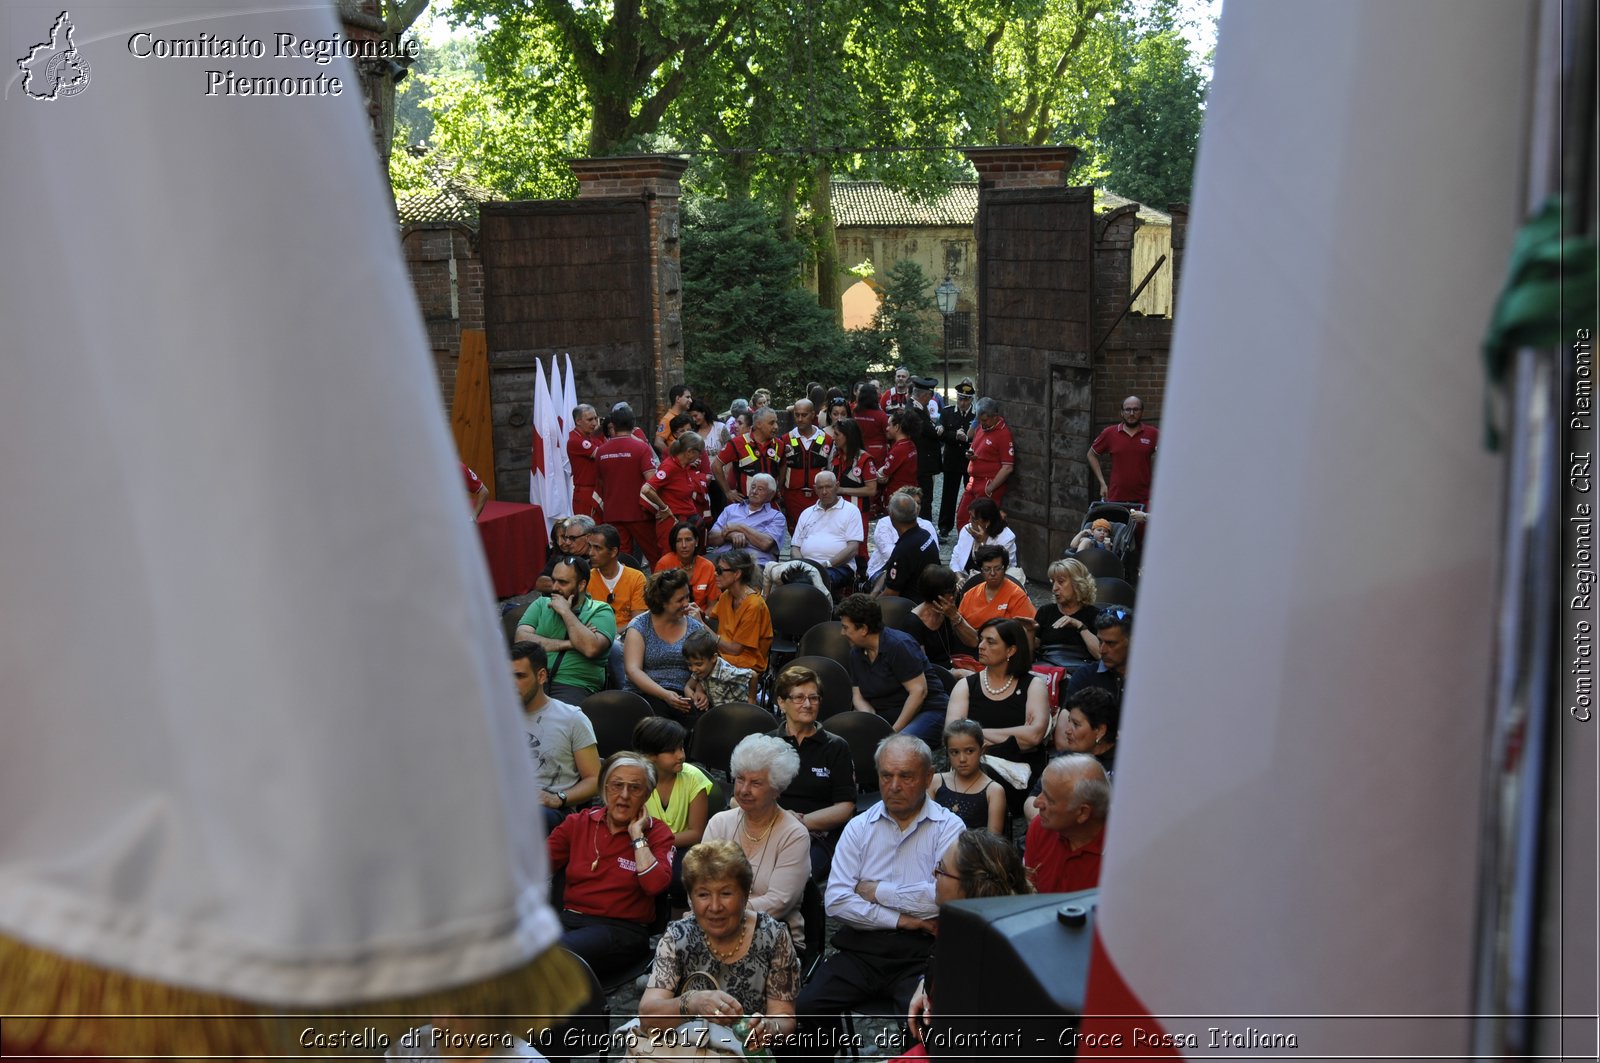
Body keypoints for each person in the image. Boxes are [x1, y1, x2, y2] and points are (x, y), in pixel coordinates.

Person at [793, 735, 963, 1043]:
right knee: (805, 1012)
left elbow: (943, 898)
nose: (894, 785)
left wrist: (876, 891)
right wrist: (906, 918)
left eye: (906, 776)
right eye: (886, 775)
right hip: (863, 949)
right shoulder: (859, 827)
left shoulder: (949, 828)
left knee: (924, 1025)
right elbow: (837, 902)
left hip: (922, 952)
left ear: (927, 778)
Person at [637, 842, 801, 1051]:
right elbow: (648, 1017)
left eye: (726, 893)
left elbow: (785, 1018)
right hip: (685, 1050)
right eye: (703, 894)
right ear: (690, 898)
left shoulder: (772, 936)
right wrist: (691, 1003)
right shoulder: (677, 937)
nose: (715, 907)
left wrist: (769, 1028)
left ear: (745, 894)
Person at [547, 752, 675, 981]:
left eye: (635, 788)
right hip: (569, 921)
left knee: (552, 957)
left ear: (647, 794)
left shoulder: (657, 833)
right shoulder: (579, 823)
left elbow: (655, 886)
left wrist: (637, 837)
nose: (624, 796)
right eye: (617, 785)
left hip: (622, 930)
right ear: (604, 788)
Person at [905, 830, 1032, 1047]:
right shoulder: (966, 928)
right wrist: (925, 987)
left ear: (971, 887)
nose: (934, 874)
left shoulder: (987, 969)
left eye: (942, 870)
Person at [703, 735, 811, 943]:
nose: (744, 790)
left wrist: (722, 912)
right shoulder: (719, 823)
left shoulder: (793, 835)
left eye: (756, 783)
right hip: (712, 926)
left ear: (777, 789)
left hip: (771, 936)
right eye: (740, 779)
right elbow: (697, 882)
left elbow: (779, 901)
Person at [945, 618, 1050, 806]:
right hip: (970, 765)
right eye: (981, 639)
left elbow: (1034, 736)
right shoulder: (966, 686)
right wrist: (1016, 735)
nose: (981, 646)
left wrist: (975, 734)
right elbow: (953, 735)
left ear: (1011, 650)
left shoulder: (1034, 685)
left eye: (990, 641)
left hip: (1019, 772)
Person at [768, 664, 857, 881]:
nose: (808, 704)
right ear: (781, 702)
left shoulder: (836, 746)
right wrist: (779, 818)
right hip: (769, 828)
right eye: (799, 698)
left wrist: (798, 822)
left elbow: (845, 807)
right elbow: (738, 798)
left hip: (817, 834)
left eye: (814, 698)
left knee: (796, 878)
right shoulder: (766, 744)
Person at [512, 642, 600, 832]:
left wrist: (559, 798)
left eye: (519, 676)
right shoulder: (493, 717)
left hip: (551, 810)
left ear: (541, 675)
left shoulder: (571, 718)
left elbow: (594, 780)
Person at [838, 593, 949, 743]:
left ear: (863, 629)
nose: (842, 633)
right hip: (886, 715)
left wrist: (892, 734)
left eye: (845, 627)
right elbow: (858, 696)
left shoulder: (899, 645)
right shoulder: (855, 653)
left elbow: (918, 692)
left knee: (895, 747)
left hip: (926, 711)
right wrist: (872, 723)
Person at [515, 554, 617, 703]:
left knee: (558, 721)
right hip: (533, 679)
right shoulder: (541, 604)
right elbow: (521, 640)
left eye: (562, 582)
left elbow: (590, 648)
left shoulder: (600, 610)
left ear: (581, 585)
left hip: (573, 684)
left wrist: (566, 612)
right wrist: (569, 644)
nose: (554, 587)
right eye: (553, 580)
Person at [635, 717, 712, 898]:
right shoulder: (636, 780)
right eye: (672, 751)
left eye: (681, 747)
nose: (681, 755)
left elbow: (696, 833)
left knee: (680, 879)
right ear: (650, 756)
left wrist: (655, 841)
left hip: (681, 848)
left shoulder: (694, 778)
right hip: (640, 845)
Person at [624, 568, 710, 721]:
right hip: (647, 695)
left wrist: (700, 689)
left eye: (687, 597)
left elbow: (707, 664)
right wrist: (665, 695)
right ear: (662, 602)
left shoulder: (694, 627)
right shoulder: (640, 626)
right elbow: (633, 670)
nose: (686, 604)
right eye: (679, 600)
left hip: (683, 696)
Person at [1024, 753, 1110, 892]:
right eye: (1041, 792)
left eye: (1050, 800)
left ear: (1082, 813)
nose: (1036, 803)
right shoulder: (1040, 827)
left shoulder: (1122, 855)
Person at [785, 471, 863, 597]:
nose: (824, 491)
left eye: (828, 486)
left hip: (838, 567)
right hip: (806, 566)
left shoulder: (851, 511)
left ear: (837, 486)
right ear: (815, 489)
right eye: (820, 488)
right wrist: (803, 565)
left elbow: (853, 549)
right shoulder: (807, 513)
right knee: (778, 575)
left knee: (815, 580)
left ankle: (818, 614)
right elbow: (795, 547)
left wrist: (826, 564)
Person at [596, 404, 659, 557]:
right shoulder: (641, 448)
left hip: (612, 511)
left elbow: (600, 481)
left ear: (614, 425)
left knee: (621, 557)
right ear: (633, 424)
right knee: (654, 554)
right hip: (639, 512)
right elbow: (652, 482)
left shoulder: (601, 451)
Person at [641, 431, 710, 561]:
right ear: (689, 452)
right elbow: (647, 489)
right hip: (672, 523)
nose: (701, 456)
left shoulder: (684, 467)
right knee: (671, 561)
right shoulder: (670, 467)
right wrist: (665, 508)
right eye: (699, 452)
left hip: (685, 521)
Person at [928, 719, 1004, 832]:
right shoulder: (934, 782)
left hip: (976, 849)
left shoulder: (993, 791)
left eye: (969, 751)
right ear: (947, 753)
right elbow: (926, 827)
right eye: (955, 752)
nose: (962, 759)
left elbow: (993, 841)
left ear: (982, 750)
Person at [707, 549, 773, 674]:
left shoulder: (754, 605)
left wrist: (701, 625)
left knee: (703, 662)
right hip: (723, 655)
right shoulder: (726, 595)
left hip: (747, 664)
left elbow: (735, 650)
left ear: (737, 574)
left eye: (720, 571)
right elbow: (712, 620)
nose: (715, 574)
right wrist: (696, 615)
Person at [954, 396, 1014, 529]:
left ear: (995, 416)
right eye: (979, 420)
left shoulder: (1003, 435)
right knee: (962, 517)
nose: (982, 423)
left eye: (985, 420)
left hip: (987, 484)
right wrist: (971, 454)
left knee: (981, 523)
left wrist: (990, 488)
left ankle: (980, 548)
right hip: (973, 481)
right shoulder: (981, 427)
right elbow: (974, 445)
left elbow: (1008, 467)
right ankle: (966, 549)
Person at [906, 566, 979, 672]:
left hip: (955, 663)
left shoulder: (949, 610)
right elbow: (921, 667)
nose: (956, 592)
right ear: (940, 596)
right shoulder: (913, 624)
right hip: (936, 674)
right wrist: (954, 673)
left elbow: (974, 641)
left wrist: (955, 617)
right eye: (953, 590)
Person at [1088, 395, 1159, 505]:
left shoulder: (1153, 434)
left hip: (1144, 499)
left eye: (1136, 409)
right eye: (1128, 409)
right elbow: (1091, 455)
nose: (1131, 413)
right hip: (1116, 498)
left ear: (1142, 412)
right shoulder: (1109, 433)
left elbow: (1169, 457)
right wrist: (1102, 483)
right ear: (1122, 412)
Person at [706, 472, 787, 565]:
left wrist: (739, 527)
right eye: (753, 487)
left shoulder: (776, 516)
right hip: (722, 559)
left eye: (760, 489)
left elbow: (765, 544)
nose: (754, 491)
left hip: (754, 563)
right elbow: (711, 538)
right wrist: (730, 536)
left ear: (770, 495)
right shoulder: (731, 509)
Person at [1034, 558, 1101, 667]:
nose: (1054, 588)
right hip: (1047, 671)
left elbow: (1100, 654)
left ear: (1077, 584)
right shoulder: (1045, 612)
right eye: (1053, 582)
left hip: (1080, 673)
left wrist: (1080, 626)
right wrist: (1028, 631)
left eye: (1060, 582)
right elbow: (1032, 651)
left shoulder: (1094, 615)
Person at [876, 491, 940, 601]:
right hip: (930, 596)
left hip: (912, 605)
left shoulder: (903, 550)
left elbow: (891, 594)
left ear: (892, 515)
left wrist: (869, 607)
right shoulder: (925, 535)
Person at [956, 545, 1037, 631]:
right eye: (987, 569)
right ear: (981, 571)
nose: (993, 573)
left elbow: (1030, 627)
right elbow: (960, 625)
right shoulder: (969, 595)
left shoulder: (1017, 595)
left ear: (1005, 569)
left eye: (998, 568)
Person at [781, 399, 833, 529]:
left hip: (819, 495)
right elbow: (781, 467)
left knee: (819, 531)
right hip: (793, 496)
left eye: (804, 415)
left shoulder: (827, 440)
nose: (799, 419)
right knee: (795, 531)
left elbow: (831, 468)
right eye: (797, 414)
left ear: (813, 414)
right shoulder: (785, 439)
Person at [1062, 606, 1131, 704]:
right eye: (1100, 641)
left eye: (1111, 643)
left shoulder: (1150, 680)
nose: (1102, 650)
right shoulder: (1084, 677)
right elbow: (1066, 716)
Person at [719, 406, 786, 505]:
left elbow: (783, 465)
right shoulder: (737, 443)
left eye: (776, 422)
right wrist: (727, 491)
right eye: (771, 423)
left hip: (770, 505)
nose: (776, 427)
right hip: (745, 504)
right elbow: (716, 466)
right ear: (758, 424)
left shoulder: (780, 444)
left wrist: (778, 488)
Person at [586, 523, 649, 629]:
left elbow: (638, 623)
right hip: (595, 638)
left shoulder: (637, 578)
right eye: (590, 547)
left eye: (597, 548)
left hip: (627, 638)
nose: (591, 553)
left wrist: (610, 635)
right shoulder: (586, 578)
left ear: (613, 552)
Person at [936, 381, 976, 537]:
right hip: (952, 460)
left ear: (971, 400)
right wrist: (955, 436)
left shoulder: (976, 416)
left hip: (968, 461)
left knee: (970, 493)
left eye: (965, 399)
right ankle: (945, 526)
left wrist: (966, 438)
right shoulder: (947, 412)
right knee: (948, 494)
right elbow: (942, 433)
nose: (962, 403)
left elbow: (978, 437)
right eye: (960, 399)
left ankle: (969, 524)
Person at [655, 520, 720, 616]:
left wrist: (700, 619)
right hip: (672, 620)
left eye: (688, 539)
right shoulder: (664, 564)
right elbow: (656, 602)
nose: (684, 545)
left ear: (696, 541)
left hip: (700, 619)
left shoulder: (708, 566)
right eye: (679, 540)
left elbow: (712, 606)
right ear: (674, 544)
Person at [949, 497, 1021, 578]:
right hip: (966, 578)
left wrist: (982, 543)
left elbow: (993, 570)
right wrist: (959, 578)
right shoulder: (967, 530)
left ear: (987, 522)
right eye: (970, 516)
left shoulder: (1006, 539)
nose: (969, 521)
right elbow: (955, 557)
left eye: (974, 519)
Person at [684, 629, 757, 709]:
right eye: (689, 664)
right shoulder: (701, 669)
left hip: (739, 710)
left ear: (713, 658)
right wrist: (697, 692)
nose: (693, 669)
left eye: (698, 664)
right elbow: (689, 686)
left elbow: (753, 675)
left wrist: (751, 702)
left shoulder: (726, 673)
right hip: (720, 712)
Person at [1053, 686, 1119, 774]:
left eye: (1076, 724)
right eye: (1069, 721)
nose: (1067, 730)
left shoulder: (1124, 765)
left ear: (1100, 731)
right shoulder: (1064, 760)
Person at [535, 515, 595, 596]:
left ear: (588, 537)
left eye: (572, 538)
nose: (567, 543)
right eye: (566, 538)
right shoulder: (560, 557)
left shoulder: (600, 558)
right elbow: (540, 583)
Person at [875, 409, 921, 510]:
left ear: (896, 427)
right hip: (909, 494)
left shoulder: (899, 449)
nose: (887, 428)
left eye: (889, 425)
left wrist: (879, 472)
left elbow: (883, 475)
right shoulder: (911, 444)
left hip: (898, 498)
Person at [568, 403, 604, 518]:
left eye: (595, 418)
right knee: (587, 529)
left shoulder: (590, 437)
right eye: (590, 420)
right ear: (578, 421)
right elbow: (603, 454)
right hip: (586, 492)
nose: (594, 423)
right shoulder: (576, 440)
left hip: (596, 489)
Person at [851, 383, 889, 465]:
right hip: (878, 452)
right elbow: (888, 434)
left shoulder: (855, 413)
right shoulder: (881, 415)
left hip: (859, 451)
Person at [655, 383, 695, 456]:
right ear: (678, 399)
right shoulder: (668, 418)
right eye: (687, 397)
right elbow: (658, 442)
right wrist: (674, 458)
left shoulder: (682, 417)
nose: (691, 400)